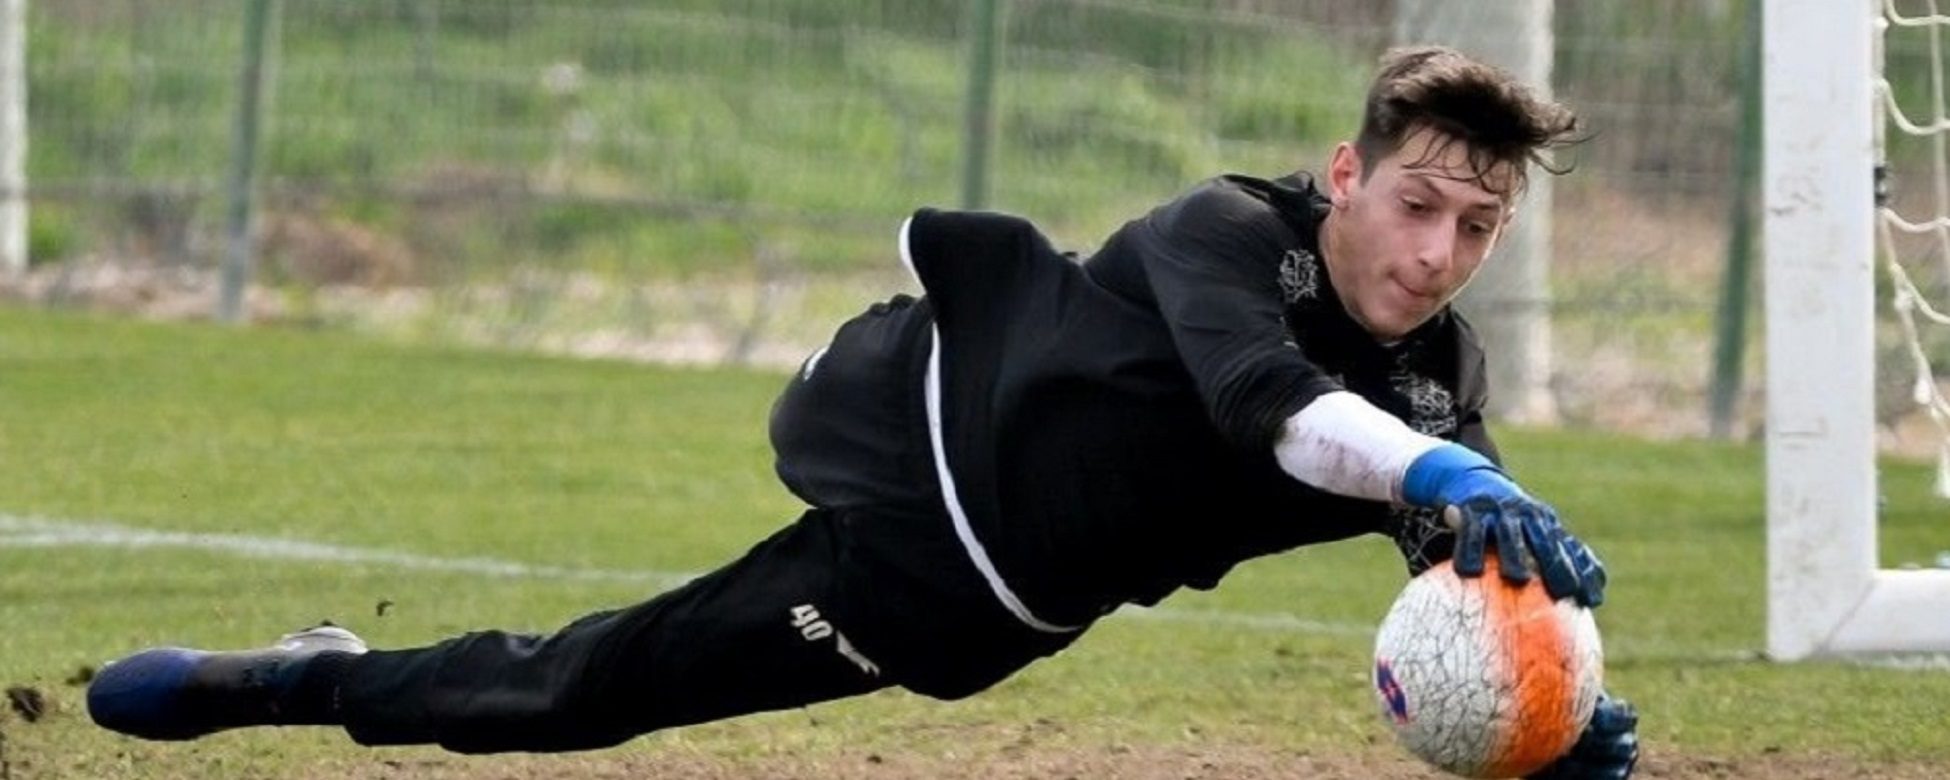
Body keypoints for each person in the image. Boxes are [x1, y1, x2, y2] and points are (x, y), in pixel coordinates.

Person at [87, 45, 1638, 778]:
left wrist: (1544, 716)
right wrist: (1441, 474)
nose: (1435, 255)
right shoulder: (1228, 230)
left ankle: (330, 664)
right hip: (912, 436)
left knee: (577, 698)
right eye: (1416, 205)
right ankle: (291, 688)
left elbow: (1470, 566)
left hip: (961, 603)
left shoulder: (1436, 387)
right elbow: (1267, 407)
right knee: (575, 692)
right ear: (1349, 175)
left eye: (1478, 230)